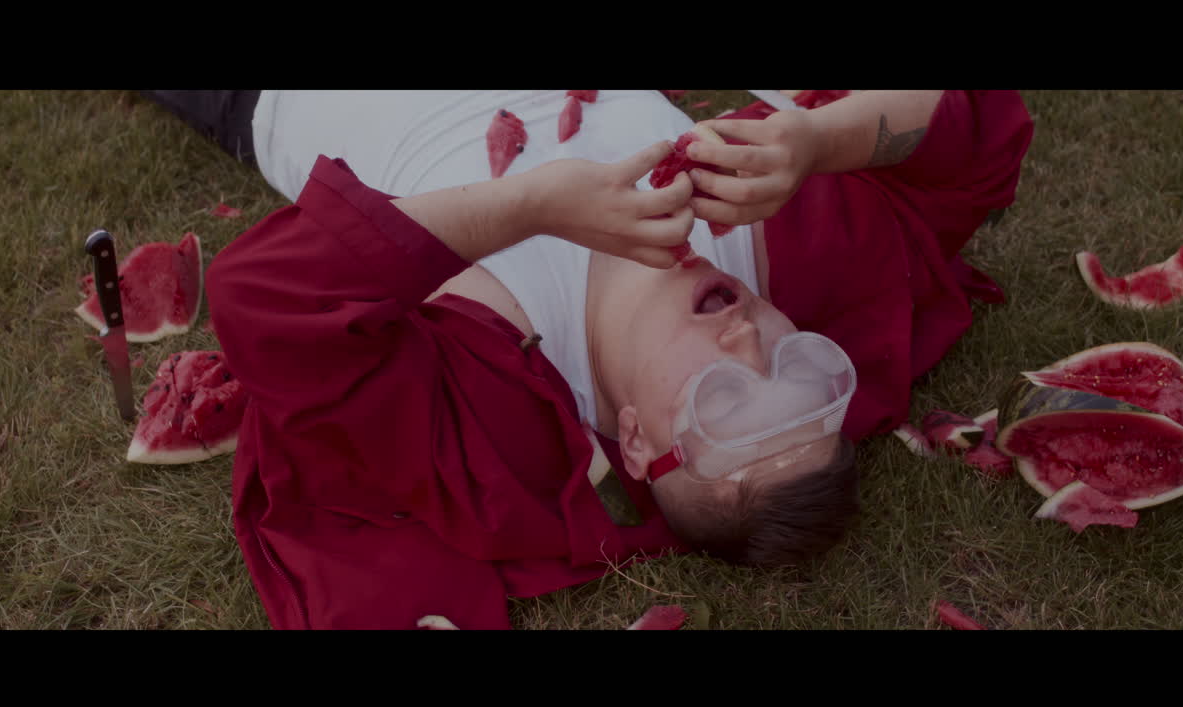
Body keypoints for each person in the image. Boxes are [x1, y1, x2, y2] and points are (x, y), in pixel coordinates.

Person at [143, 90, 1034, 629]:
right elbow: (978, 122)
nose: (750, 337)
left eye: (728, 399)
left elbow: (262, 296)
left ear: (637, 443)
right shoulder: (779, 239)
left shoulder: (495, 395)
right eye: (798, 368)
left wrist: (527, 207)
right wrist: (817, 142)